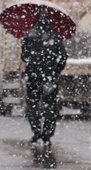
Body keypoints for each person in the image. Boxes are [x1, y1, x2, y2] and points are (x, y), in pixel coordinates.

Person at [21, 14, 68, 147]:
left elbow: (24, 58)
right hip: (50, 77)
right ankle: (47, 136)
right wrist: (55, 70)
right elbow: (63, 57)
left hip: (32, 77)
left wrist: (33, 64)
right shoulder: (55, 38)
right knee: (50, 106)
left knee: (32, 105)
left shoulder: (28, 37)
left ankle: (36, 132)